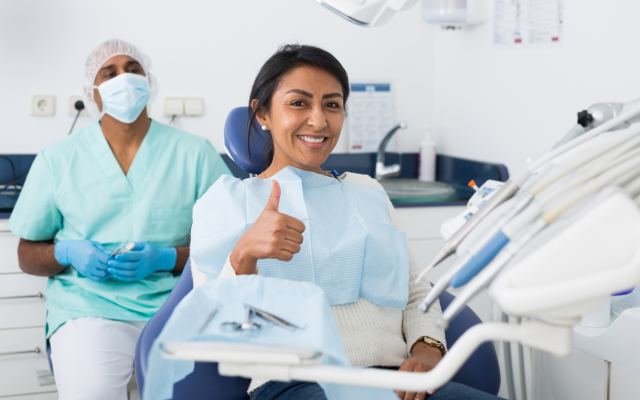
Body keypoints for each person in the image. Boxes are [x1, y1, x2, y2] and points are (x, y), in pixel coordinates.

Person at [189, 45, 502, 400]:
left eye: (332, 105)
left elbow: (416, 291)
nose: (319, 120)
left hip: (397, 382)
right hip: (295, 384)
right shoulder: (226, 202)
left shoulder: (367, 191)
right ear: (262, 114)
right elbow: (210, 328)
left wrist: (427, 349)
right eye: (299, 103)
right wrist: (243, 257)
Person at [8, 39, 231, 400]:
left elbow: (230, 247)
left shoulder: (195, 155)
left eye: (133, 69)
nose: (123, 79)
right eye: (109, 73)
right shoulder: (59, 159)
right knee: (91, 392)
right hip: (89, 307)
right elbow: (27, 253)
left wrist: (168, 258)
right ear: (92, 92)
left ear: (149, 82)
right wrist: (66, 253)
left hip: (176, 303)